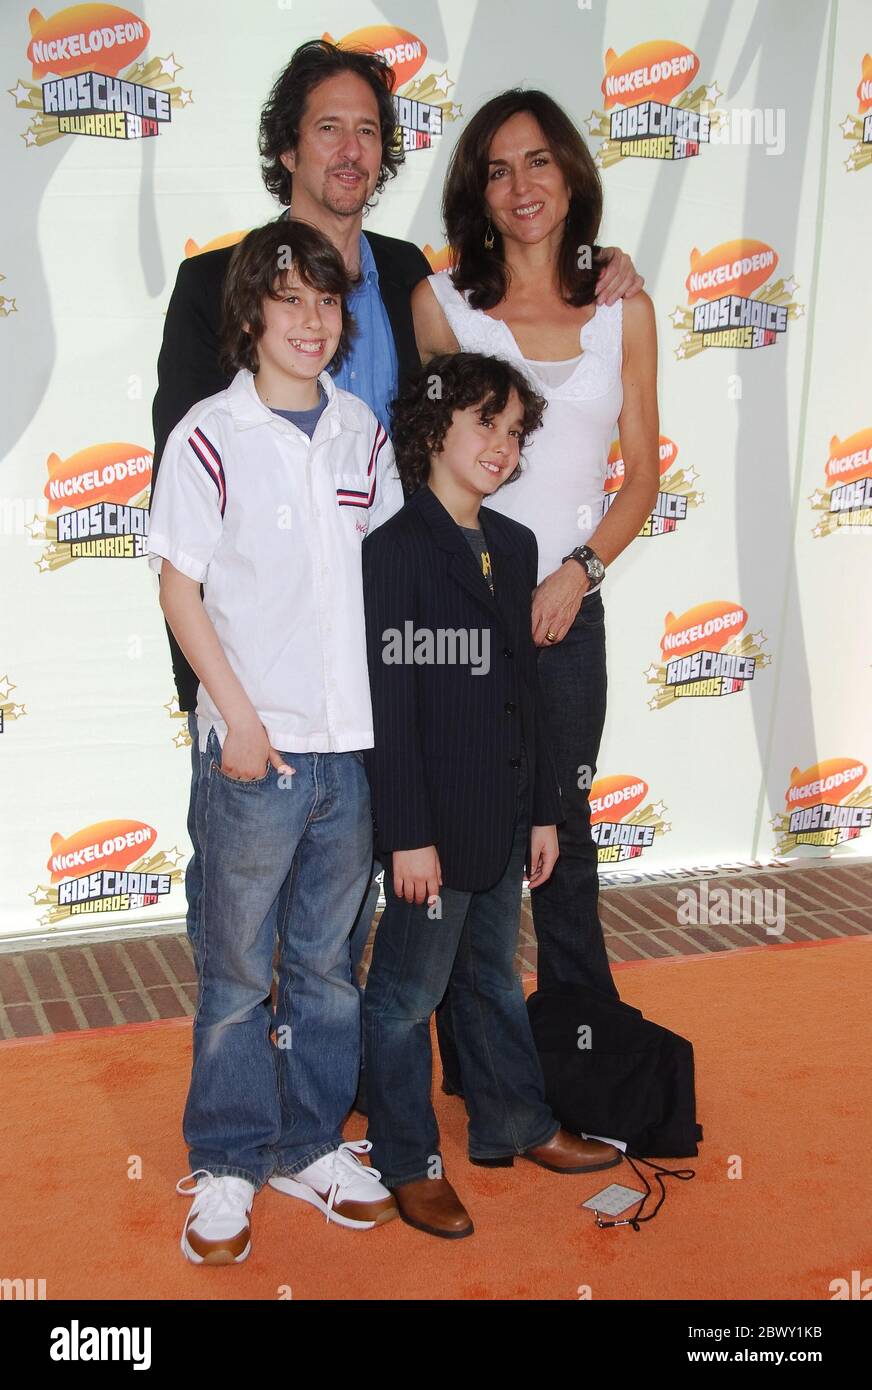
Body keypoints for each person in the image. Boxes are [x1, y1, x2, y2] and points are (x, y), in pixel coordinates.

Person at [150, 40, 644, 984]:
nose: (350, 149)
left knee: (387, 886)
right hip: (270, 671)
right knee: (254, 920)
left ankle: (359, 1097)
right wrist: (212, 696)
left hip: (408, 643)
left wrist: (601, 262)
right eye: (326, 128)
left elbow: (521, 289)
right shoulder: (212, 285)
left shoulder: (413, 272)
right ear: (286, 149)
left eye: (368, 131)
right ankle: (260, 1118)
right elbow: (183, 513)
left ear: (386, 152)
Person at [147, 218, 404, 1264]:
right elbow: (178, 584)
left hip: (349, 751)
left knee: (328, 967)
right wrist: (236, 719)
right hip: (255, 755)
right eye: (288, 299)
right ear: (250, 312)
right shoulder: (209, 432)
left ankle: (306, 1144)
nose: (310, 319)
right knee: (237, 969)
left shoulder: (362, 434)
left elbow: (384, 580)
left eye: (327, 301)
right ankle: (224, 1160)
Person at [410, 92, 659, 1076]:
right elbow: (432, 468)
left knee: (564, 840)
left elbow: (639, 477)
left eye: (539, 162)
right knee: (475, 851)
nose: (521, 186)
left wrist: (578, 571)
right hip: (468, 622)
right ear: (477, 187)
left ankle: (584, 1060)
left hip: (569, 616)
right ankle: (479, 1073)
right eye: (499, 168)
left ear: (570, 176)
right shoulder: (442, 304)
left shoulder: (622, 305)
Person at [361, 353, 622, 1239]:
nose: (502, 448)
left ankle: (515, 1122)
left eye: (515, 434)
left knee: (491, 983)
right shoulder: (392, 554)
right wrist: (407, 835)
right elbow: (392, 711)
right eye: (485, 425)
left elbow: (528, 693)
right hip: (432, 829)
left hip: (507, 817)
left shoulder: (513, 548)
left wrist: (546, 808)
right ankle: (407, 1158)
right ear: (433, 430)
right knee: (404, 997)